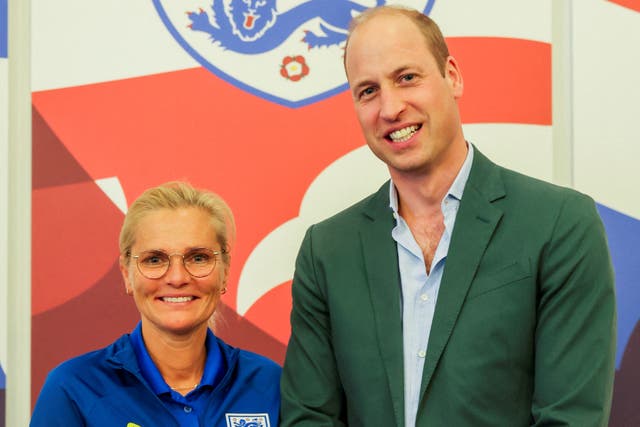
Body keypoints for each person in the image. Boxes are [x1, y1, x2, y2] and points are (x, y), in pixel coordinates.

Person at [280, 5, 616, 427]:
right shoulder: (326, 250)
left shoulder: (560, 223)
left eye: (407, 78)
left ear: (452, 76)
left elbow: (570, 418)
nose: (390, 108)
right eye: (368, 91)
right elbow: (308, 416)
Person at [31, 182, 281, 427]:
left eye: (198, 257)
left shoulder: (270, 384)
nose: (178, 278)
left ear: (224, 271)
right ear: (127, 274)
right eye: (154, 260)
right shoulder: (74, 389)